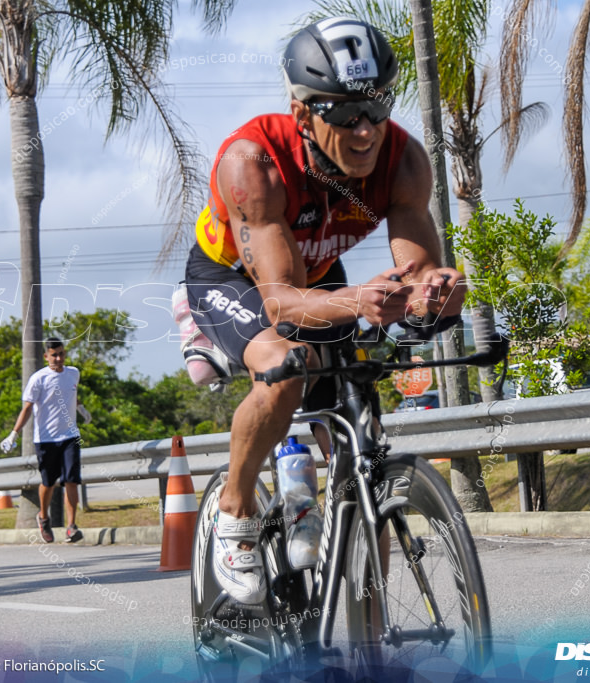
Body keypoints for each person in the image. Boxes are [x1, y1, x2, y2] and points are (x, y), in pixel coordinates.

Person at [183, 17, 466, 604]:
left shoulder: (405, 160)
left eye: (376, 106)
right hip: (235, 278)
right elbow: (280, 303)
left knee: (363, 436)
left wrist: (432, 294)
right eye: (342, 113)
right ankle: (235, 509)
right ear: (302, 111)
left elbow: (416, 279)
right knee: (286, 367)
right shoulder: (252, 163)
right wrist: (357, 300)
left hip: (317, 277)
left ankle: (371, 624)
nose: (365, 130)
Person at [1, 338, 91, 543]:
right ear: (46, 356)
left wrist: (81, 409)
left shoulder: (73, 373)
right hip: (46, 439)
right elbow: (27, 408)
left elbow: (72, 394)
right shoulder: (38, 379)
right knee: (48, 482)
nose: (58, 358)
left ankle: (71, 526)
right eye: (54, 355)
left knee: (71, 480)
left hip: (70, 435)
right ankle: (43, 517)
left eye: (61, 354)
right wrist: (13, 433)